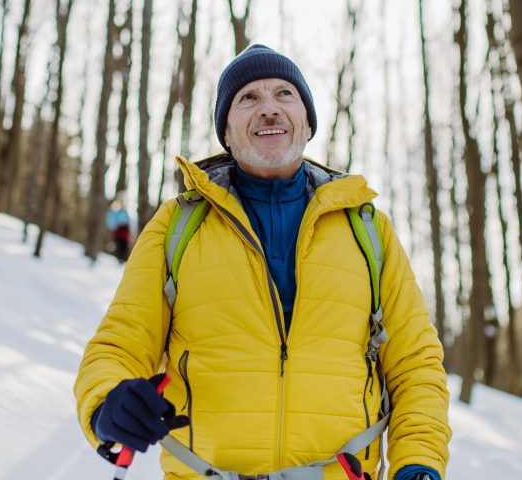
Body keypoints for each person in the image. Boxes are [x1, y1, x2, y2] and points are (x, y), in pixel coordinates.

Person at [75, 44, 450, 480]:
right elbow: (120, 343)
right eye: (248, 98)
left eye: (285, 94)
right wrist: (106, 402)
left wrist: (418, 461)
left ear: (307, 123)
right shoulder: (177, 225)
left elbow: (415, 363)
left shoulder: (368, 230)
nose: (269, 109)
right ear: (227, 133)